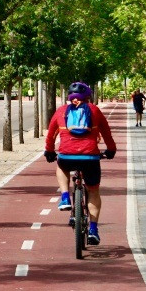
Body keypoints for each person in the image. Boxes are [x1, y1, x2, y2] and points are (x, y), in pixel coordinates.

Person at [44, 81, 117, 245]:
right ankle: (93, 230)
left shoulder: (62, 111)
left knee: (61, 166)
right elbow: (106, 133)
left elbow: (51, 135)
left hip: (67, 156)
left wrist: (49, 151)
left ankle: (64, 197)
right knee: (93, 192)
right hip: (90, 158)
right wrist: (111, 150)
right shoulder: (94, 110)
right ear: (88, 97)